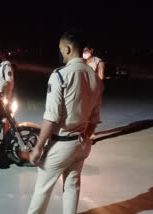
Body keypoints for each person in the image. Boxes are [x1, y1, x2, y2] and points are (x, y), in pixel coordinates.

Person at [27, 29, 103, 214]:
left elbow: (51, 118)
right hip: (82, 144)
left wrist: (38, 148)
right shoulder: (95, 78)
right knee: (72, 187)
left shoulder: (60, 75)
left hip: (61, 145)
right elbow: (94, 118)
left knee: (42, 190)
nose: (60, 52)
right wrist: (84, 137)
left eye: (61, 49)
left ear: (68, 49)